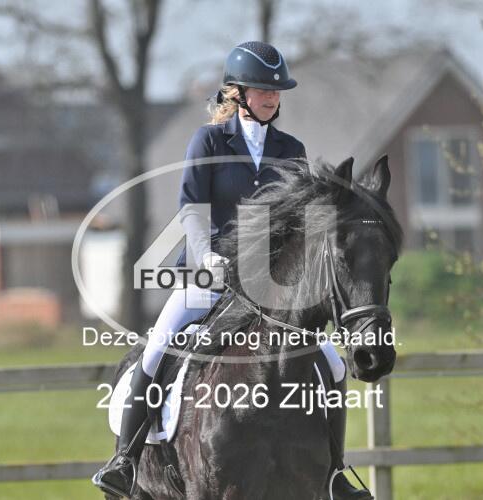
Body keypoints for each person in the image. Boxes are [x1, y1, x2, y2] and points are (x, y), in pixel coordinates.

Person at [93, 41, 368, 499]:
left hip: (268, 285)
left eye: (276, 91)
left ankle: (336, 472)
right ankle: (125, 460)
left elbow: (297, 224)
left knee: (335, 364)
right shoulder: (209, 141)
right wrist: (207, 255)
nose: (272, 98)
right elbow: (191, 210)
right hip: (209, 277)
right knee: (157, 349)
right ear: (238, 93)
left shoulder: (291, 149)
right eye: (263, 90)